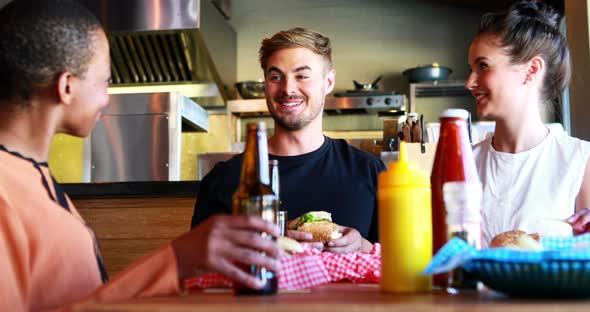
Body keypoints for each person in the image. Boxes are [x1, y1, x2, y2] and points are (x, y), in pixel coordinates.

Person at [0, 0, 280, 310]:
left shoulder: (35, 178)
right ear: (67, 86)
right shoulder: (5, 192)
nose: (107, 98)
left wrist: (181, 261)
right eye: (106, 81)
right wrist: (176, 259)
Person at [191, 28, 386, 253]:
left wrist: (363, 246)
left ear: (329, 81)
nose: (288, 89)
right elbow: (198, 268)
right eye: (276, 77)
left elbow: (401, 266)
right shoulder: (226, 179)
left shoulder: (369, 171)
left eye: (302, 76)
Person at [465, 0, 590, 246]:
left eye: (483, 66)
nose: (469, 82)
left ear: (532, 70)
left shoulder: (581, 161)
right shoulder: (466, 163)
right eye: (471, 68)